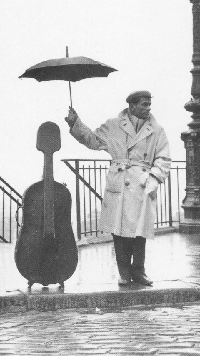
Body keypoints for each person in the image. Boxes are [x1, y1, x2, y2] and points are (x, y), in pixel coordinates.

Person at [65, 90, 171, 286]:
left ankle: (139, 271)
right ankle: (124, 272)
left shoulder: (157, 130)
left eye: (149, 104)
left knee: (140, 231)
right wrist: (75, 123)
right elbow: (93, 140)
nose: (148, 108)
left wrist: (153, 177)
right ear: (131, 106)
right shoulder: (113, 126)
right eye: (144, 104)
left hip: (143, 184)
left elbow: (163, 157)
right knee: (119, 230)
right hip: (120, 183)